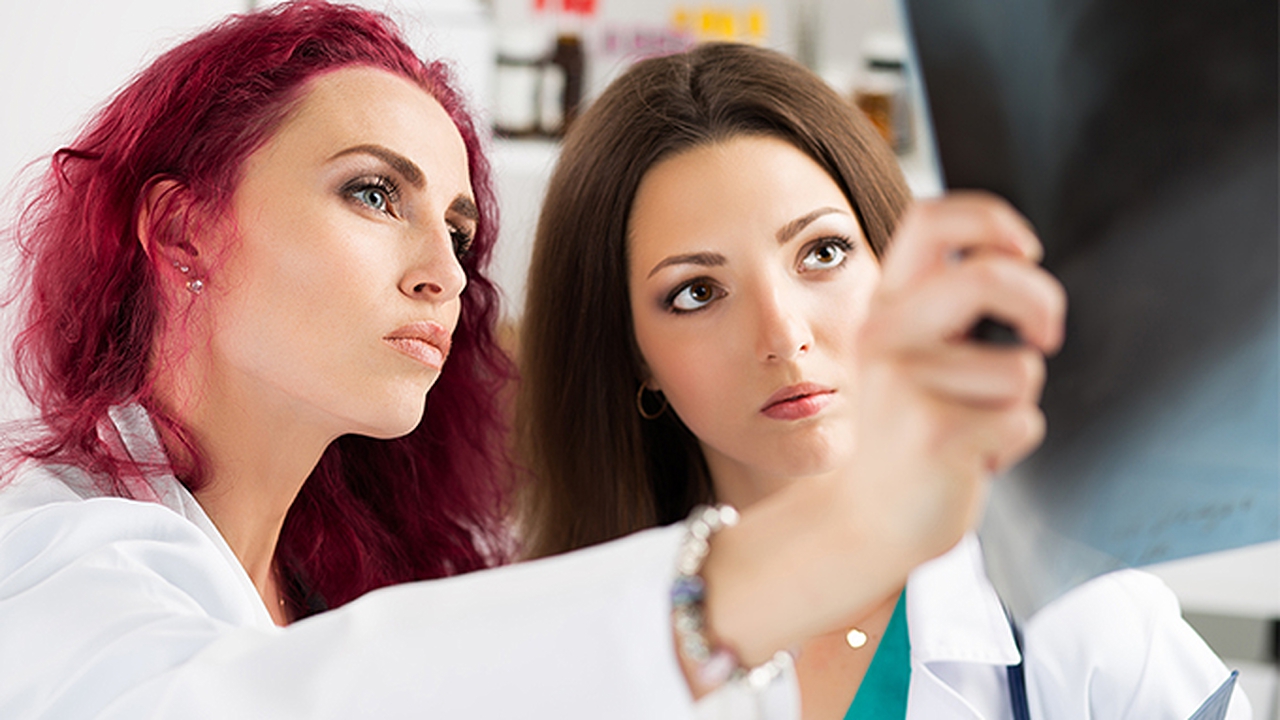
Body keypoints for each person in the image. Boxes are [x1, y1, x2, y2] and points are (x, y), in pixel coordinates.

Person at [0, 4, 1062, 717]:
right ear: (182, 231)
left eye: (458, 231)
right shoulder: (52, 562)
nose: (445, 275)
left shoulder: (358, 579)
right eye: (374, 192)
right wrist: (848, 530)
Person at [517, 42, 1250, 719]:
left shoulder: (1087, 620)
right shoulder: (553, 650)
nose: (784, 336)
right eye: (697, 293)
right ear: (633, 354)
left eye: (823, 252)